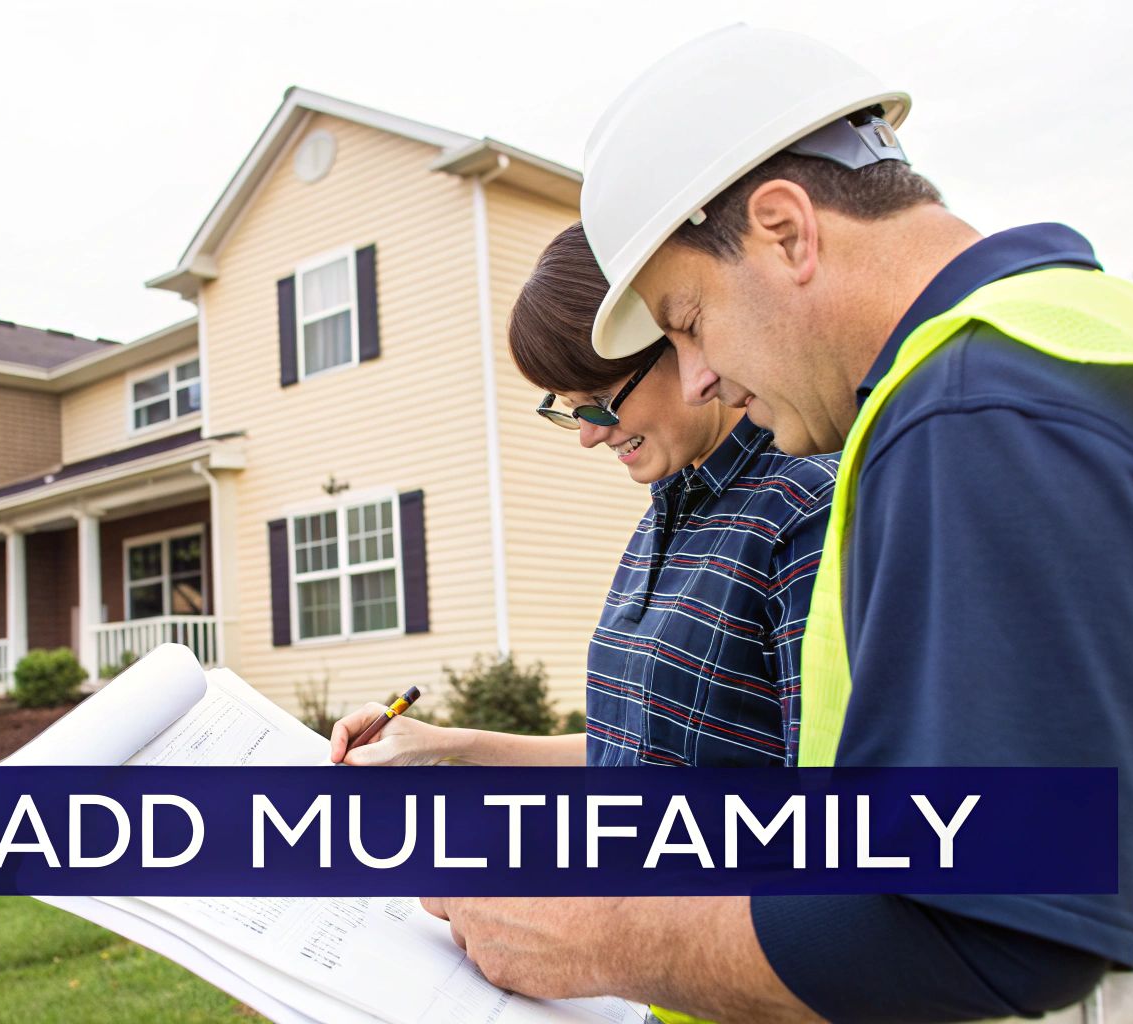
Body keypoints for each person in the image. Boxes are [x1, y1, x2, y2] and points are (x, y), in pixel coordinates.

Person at [420, 24, 1133, 1024]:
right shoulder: (1085, 339)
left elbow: (990, 925)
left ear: (784, 230)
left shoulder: (978, 415)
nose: (700, 377)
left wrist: (594, 933)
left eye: (685, 321)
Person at [332, 222, 835, 772]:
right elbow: (628, 745)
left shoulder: (804, 508)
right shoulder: (672, 506)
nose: (590, 433)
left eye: (599, 400)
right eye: (570, 409)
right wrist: (448, 745)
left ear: (682, 339)